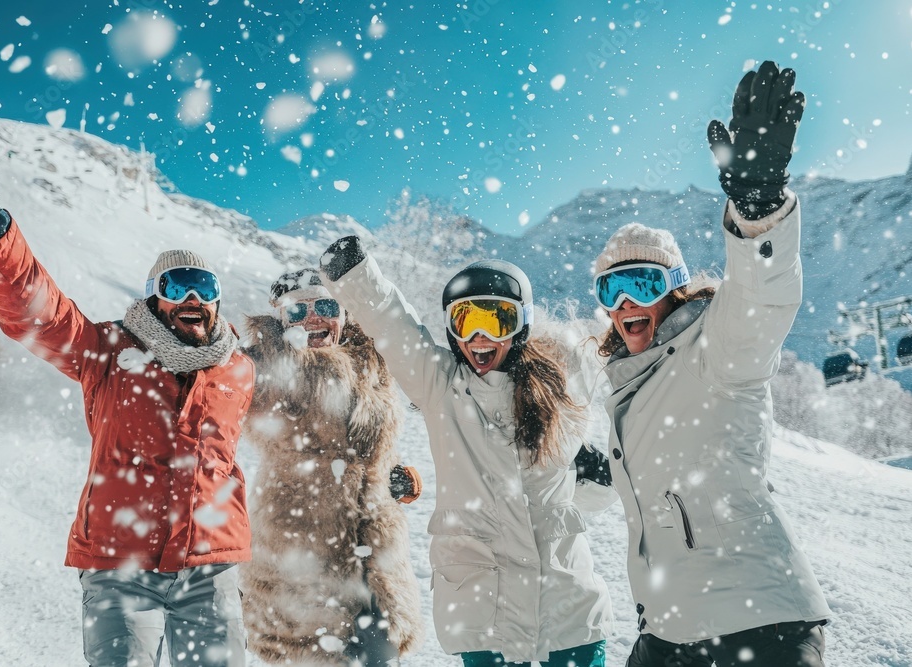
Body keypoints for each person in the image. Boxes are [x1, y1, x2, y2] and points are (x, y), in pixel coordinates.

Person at [0, 144, 254, 667]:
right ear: (154, 297)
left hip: (211, 568)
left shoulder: (239, 369)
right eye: (177, 285)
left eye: (204, 286)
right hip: (120, 565)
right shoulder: (109, 352)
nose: (193, 297)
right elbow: (39, 316)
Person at [591, 61, 830, 666]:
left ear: (674, 288)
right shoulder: (628, 388)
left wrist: (759, 216)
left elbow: (763, 299)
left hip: (757, 625)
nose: (624, 305)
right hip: (671, 631)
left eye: (641, 284)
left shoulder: (717, 349)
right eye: (609, 292)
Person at [315, 246, 615, 667]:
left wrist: (574, 494)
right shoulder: (442, 387)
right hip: (482, 608)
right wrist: (357, 277)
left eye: (497, 319)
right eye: (465, 320)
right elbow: (395, 325)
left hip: (565, 604)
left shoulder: (562, 389)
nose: (480, 336)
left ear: (521, 323)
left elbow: (598, 484)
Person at [238, 268, 424, 666]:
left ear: (343, 313)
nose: (313, 317)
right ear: (280, 319)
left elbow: (361, 449)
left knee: (381, 658)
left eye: (325, 305)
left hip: (373, 562)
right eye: (296, 310)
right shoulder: (262, 368)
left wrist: (395, 475)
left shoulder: (372, 362)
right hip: (298, 563)